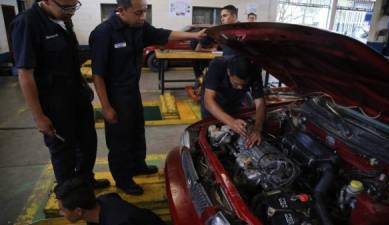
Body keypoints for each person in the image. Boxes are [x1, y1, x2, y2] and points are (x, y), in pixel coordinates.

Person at [89, 0, 205, 195]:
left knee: (136, 129)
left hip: (133, 91)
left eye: (144, 12)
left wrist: (194, 34)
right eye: (138, 13)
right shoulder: (103, 33)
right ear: (121, 11)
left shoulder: (139, 26)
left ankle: (138, 165)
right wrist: (106, 107)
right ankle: (123, 179)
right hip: (115, 94)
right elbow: (97, 74)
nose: (143, 17)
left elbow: (164, 33)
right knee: (120, 138)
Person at [11, 0, 109, 188]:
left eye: (74, 6)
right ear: (46, 1)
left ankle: (85, 182)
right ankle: (70, 196)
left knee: (88, 144)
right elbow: (25, 74)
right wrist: (39, 117)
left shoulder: (63, 19)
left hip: (78, 98)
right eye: (66, 7)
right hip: (55, 105)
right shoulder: (27, 23)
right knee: (64, 152)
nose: (71, 12)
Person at [201, 55, 265, 148]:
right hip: (213, 104)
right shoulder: (218, 65)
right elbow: (208, 100)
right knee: (211, 134)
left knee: (233, 135)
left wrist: (257, 128)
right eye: (236, 83)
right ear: (228, 72)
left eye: (244, 85)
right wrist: (231, 121)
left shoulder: (254, 70)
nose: (240, 88)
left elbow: (260, 102)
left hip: (234, 103)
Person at [55, 178, 166, 225]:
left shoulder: (118, 222)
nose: (60, 213)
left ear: (79, 211)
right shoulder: (104, 200)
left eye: (62, 210)